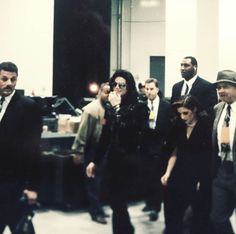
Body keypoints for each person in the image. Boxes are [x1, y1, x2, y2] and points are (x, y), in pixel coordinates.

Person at [86, 69, 149, 234]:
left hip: (130, 161)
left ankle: (125, 230)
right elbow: (105, 137)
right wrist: (95, 160)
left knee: (119, 202)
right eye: (115, 84)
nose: (118, 88)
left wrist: (117, 108)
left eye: (122, 85)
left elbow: (130, 132)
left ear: (129, 87)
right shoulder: (110, 108)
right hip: (113, 162)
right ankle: (126, 229)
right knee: (115, 203)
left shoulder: (139, 107)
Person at [161, 95, 213, 234]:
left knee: (197, 213)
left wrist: (202, 180)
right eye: (180, 113)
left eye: (186, 113)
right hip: (179, 171)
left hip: (198, 173)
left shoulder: (206, 125)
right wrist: (167, 172)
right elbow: (175, 152)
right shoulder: (179, 126)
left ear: (194, 109)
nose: (183, 117)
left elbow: (208, 157)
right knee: (172, 208)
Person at [0, 62, 42, 233]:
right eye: (4, 78)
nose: (9, 83)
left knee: (21, 228)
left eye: (13, 79)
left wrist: (32, 186)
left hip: (14, 184)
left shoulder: (28, 107)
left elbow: (34, 150)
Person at [71, 83, 110, 224]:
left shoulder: (109, 108)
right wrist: (78, 151)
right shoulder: (90, 110)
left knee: (100, 182)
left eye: (109, 92)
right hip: (92, 150)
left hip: (104, 150)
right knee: (93, 183)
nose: (107, 95)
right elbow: (83, 133)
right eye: (105, 92)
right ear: (99, 92)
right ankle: (95, 212)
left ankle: (99, 208)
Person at [141, 78, 172, 221]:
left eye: (151, 89)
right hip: (146, 146)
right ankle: (149, 203)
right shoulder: (141, 106)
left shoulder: (166, 106)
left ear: (157, 90)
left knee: (157, 177)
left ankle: (156, 207)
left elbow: (169, 127)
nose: (148, 91)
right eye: (146, 89)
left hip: (160, 146)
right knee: (147, 176)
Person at [210, 70, 236, 234]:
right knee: (217, 217)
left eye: (225, 86)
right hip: (222, 170)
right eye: (218, 87)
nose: (220, 90)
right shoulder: (218, 108)